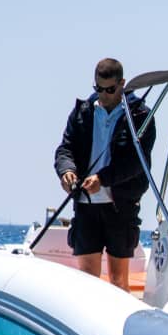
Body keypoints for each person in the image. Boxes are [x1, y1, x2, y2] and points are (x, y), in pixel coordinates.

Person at [54, 58, 156, 290]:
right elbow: (65, 148)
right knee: (88, 278)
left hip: (120, 204)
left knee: (118, 281)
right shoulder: (83, 111)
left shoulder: (140, 116)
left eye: (110, 89)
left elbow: (137, 162)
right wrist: (67, 170)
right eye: (98, 89)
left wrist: (103, 179)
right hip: (86, 203)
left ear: (122, 83)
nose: (104, 94)